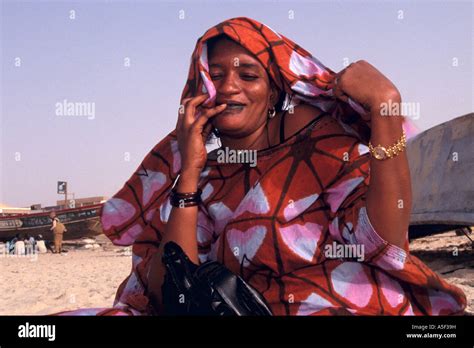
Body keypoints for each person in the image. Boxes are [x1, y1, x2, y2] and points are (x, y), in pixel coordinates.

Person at [70, 17, 465, 316]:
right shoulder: (204, 176)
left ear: (274, 89)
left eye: (247, 75)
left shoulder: (321, 148)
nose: (228, 87)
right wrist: (187, 174)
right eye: (217, 75)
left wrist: (385, 110)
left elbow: (385, 240)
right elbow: (171, 292)